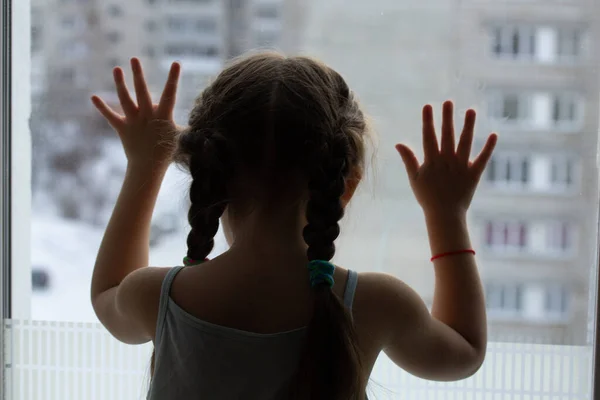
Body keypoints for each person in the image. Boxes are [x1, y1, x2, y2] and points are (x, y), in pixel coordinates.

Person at [89, 52, 497, 400]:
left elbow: (107, 292)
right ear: (344, 185)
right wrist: (447, 214)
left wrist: (146, 163)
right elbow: (465, 350)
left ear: (206, 174)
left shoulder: (159, 296)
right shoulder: (375, 304)